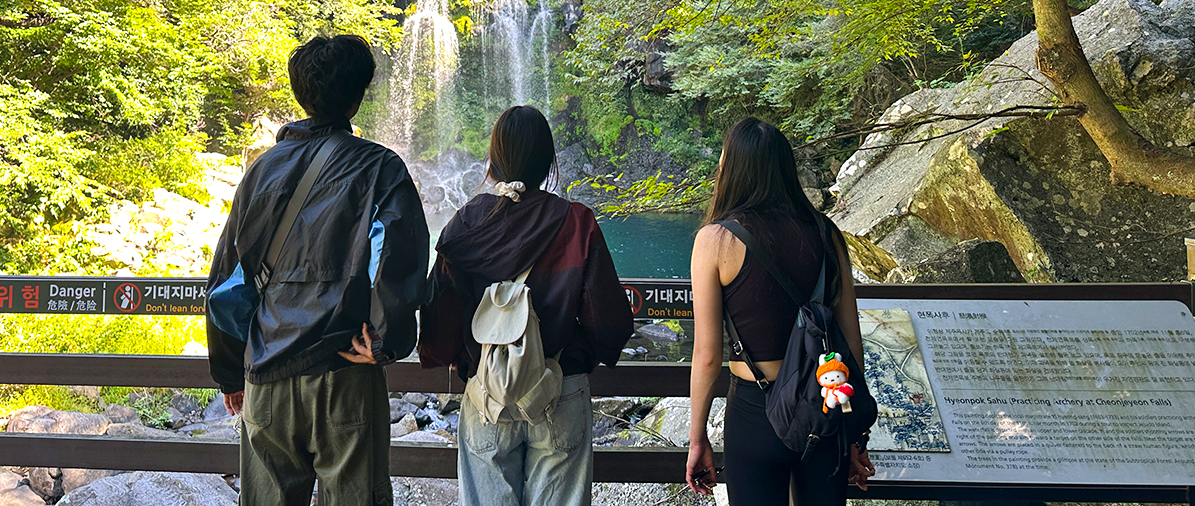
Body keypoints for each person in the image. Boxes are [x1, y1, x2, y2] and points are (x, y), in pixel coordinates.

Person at [206, 35, 429, 506]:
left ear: (300, 94)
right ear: (358, 96)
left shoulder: (261, 170)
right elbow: (397, 256)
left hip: (267, 375)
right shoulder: (380, 168)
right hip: (344, 371)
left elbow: (229, 274)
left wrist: (230, 372)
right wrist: (387, 342)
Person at [419, 105, 634, 506]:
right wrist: (576, 358)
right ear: (548, 162)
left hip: (487, 392)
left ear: (493, 161)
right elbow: (610, 321)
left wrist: (457, 359)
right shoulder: (576, 222)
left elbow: (439, 315)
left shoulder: (465, 224)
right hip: (558, 388)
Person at [684, 118, 875, 505]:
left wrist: (697, 437)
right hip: (823, 407)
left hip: (755, 414)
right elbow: (851, 343)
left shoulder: (716, 240)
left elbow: (707, 356)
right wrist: (854, 436)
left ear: (733, 171)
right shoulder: (826, 233)